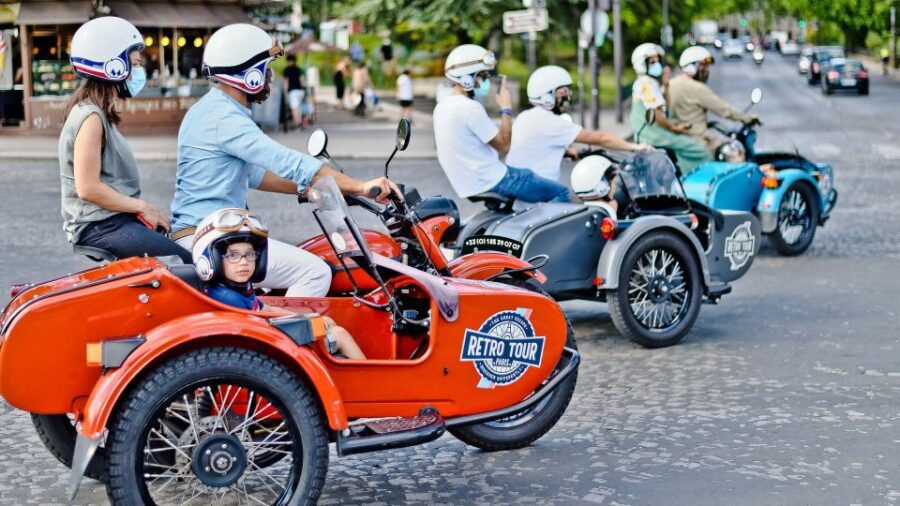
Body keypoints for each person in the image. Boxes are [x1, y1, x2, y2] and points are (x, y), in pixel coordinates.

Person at [172, 23, 400, 297]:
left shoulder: (215, 109)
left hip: (205, 232)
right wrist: (361, 187)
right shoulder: (224, 117)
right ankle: (292, 326)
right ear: (248, 74)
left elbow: (255, 175)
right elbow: (290, 162)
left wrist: (308, 189)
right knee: (315, 272)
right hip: (210, 238)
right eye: (266, 68)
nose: (271, 76)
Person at [59, 16, 191, 263]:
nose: (139, 71)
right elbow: (88, 188)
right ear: (113, 66)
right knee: (187, 265)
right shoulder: (91, 117)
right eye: (136, 63)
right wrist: (142, 207)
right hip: (101, 225)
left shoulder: (98, 114)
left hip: (112, 220)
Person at [192, 208, 365, 359]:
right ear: (211, 260)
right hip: (262, 350)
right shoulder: (228, 298)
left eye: (250, 254)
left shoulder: (235, 290)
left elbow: (267, 310)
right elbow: (266, 326)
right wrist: (312, 325)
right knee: (339, 335)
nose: (244, 262)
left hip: (260, 345)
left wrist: (310, 318)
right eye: (233, 255)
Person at [433, 44, 572, 203]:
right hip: (492, 179)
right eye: (482, 77)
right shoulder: (468, 107)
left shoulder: (442, 106)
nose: (485, 82)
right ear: (466, 78)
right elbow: (504, 146)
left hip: (469, 184)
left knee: (527, 175)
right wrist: (506, 108)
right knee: (562, 192)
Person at [506, 65, 651, 182]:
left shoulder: (524, 116)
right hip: (536, 184)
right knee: (567, 197)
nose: (567, 96)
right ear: (547, 96)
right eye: (561, 92)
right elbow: (601, 138)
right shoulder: (552, 121)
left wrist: (566, 152)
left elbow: (534, 146)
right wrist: (634, 147)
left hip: (516, 178)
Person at [629, 43, 711, 175]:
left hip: (654, 132)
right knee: (699, 151)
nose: (657, 64)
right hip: (653, 135)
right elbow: (658, 116)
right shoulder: (646, 84)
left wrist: (666, 84)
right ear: (642, 64)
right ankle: (693, 179)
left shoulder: (651, 83)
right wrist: (675, 128)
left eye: (658, 61)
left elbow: (665, 107)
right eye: (652, 61)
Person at [668, 45, 759, 156]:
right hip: (696, 139)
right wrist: (747, 118)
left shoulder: (670, 84)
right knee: (736, 153)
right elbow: (724, 109)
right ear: (691, 66)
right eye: (703, 65)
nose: (706, 70)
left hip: (676, 137)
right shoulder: (697, 88)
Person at [282, 53, 305, 128]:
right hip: (300, 91)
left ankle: (297, 124)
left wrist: (285, 93)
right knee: (298, 107)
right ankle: (300, 122)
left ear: (288, 61)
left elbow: (286, 82)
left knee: (294, 108)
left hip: (293, 91)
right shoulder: (298, 69)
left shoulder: (286, 70)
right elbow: (302, 81)